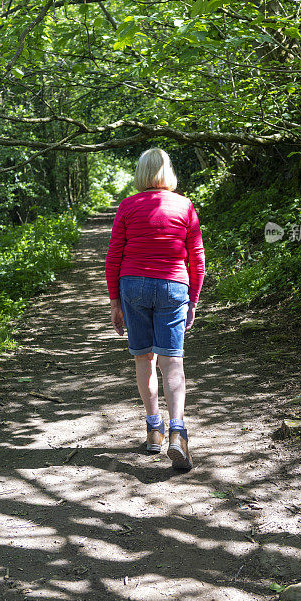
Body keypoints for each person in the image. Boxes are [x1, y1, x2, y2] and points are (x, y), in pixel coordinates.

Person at [105, 147, 205, 470]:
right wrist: (193, 300)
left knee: (143, 359)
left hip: (133, 285)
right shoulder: (185, 206)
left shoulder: (127, 206)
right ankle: (178, 434)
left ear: (140, 174)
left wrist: (114, 302)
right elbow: (197, 260)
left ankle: (153, 431)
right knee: (171, 361)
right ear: (168, 172)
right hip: (173, 285)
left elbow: (113, 257)